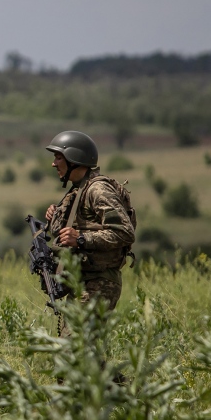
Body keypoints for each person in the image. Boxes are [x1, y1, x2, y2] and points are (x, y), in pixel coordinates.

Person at [44, 130, 135, 332]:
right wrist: (56, 216)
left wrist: (82, 239)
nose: (54, 163)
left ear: (74, 159)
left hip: (100, 284)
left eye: (59, 157)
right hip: (83, 283)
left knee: (75, 352)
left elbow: (125, 232)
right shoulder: (78, 190)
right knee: (84, 356)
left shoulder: (97, 190)